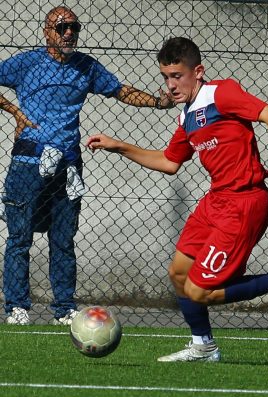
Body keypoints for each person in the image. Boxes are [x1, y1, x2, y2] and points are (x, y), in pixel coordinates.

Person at [86, 37, 268, 362]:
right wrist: (118, 146)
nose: (170, 84)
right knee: (179, 273)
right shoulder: (186, 116)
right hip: (216, 201)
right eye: (165, 76)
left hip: (244, 202)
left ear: (198, 71)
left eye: (177, 75)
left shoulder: (221, 94)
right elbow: (169, 162)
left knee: (199, 291)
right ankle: (203, 346)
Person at [0, 6, 175, 326]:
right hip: (28, 162)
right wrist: (14, 111)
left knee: (63, 240)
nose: (69, 33)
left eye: (74, 27)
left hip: (68, 165)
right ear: (47, 32)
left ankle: (64, 308)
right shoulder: (26, 64)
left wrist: (157, 101)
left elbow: (120, 90)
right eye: (62, 27)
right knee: (20, 238)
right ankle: (17, 307)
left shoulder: (85, 67)